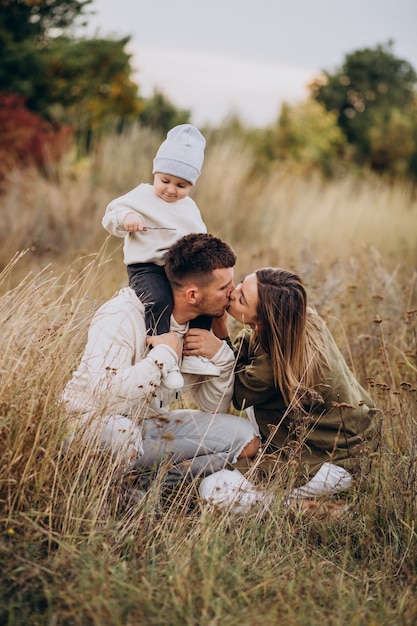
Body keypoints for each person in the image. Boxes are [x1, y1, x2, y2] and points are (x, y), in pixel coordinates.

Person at [61, 233, 260, 500]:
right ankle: (101, 493)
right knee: (121, 434)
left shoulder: (198, 325)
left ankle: (151, 486)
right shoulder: (121, 315)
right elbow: (105, 394)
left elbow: (213, 407)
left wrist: (222, 355)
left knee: (244, 436)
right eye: (224, 287)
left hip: (148, 425)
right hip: (90, 424)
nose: (233, 292)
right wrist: (163, 354)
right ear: (192, 294)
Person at [192, 267, 378, 509]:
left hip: (331, 460)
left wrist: (219, 346)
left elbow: (236, 395)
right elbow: (243, 359)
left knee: (214, 490)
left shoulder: (272, 363)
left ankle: (307, 508)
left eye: (241, 299)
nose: (232, 293)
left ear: (262, 322)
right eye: (240, 285)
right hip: (342, 442)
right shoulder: (297, 319)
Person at [102, 124, 219, 390]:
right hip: (146, 267)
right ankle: (161, 356)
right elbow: (111, 216)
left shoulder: (189, 208)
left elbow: (200, 238)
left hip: (178, 268)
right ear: (155, 173)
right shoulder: (140, 196)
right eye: (165, 181)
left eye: (181, 185)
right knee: (159, 299)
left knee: (206, 297)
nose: (170, 190)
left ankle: (193, 354)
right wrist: (126, 218)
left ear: (191, 184)